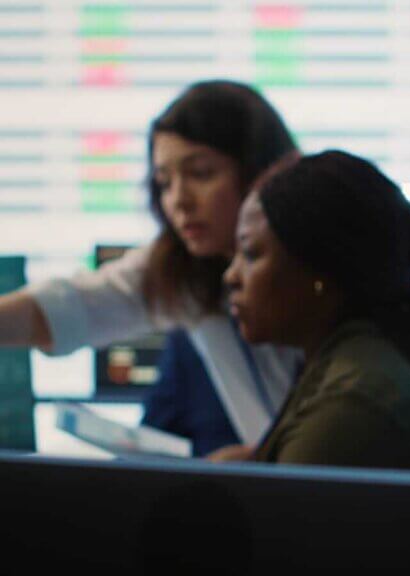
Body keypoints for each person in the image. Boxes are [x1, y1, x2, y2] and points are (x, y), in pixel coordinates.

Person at [0, 80, 302, 448]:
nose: (179, 201)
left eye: (201, 173)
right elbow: (72, 307)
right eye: (164, 182)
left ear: (265, 172)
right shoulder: (184, 271)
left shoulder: (325, 267)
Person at [215, 150, 410, 473]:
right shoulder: (358, 358)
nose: (230, 276)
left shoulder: (351, 403)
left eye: (250, 254)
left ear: (319, 270)